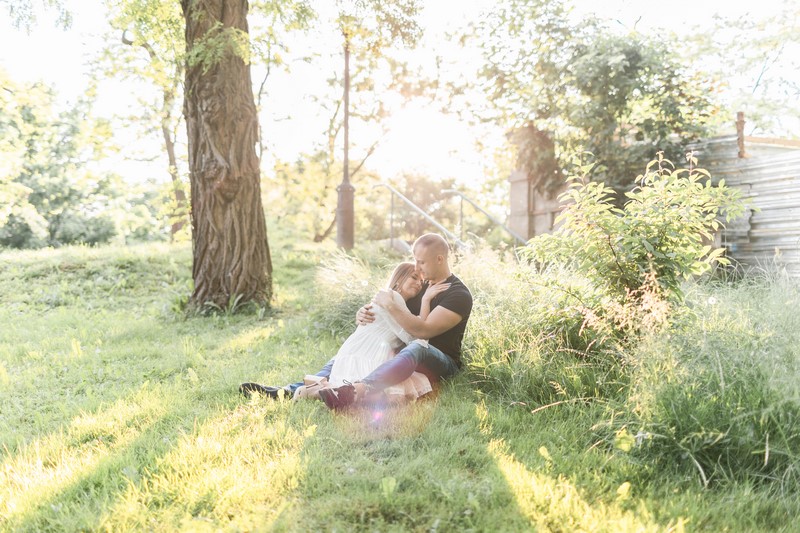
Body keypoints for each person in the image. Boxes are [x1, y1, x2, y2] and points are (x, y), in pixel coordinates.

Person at [241, 233, 473, 410]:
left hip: (439, 360)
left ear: (440, 259)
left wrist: (391, 305)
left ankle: (357, 390)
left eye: (421, 262)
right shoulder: (421, 285)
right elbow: (391, 315)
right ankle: (290, 391)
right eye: (415, 261)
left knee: (417, 346)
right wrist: (365, 313)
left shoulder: (458, 295)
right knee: (355, 350)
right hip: (401, 353)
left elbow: (423, 331)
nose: (417, 267)